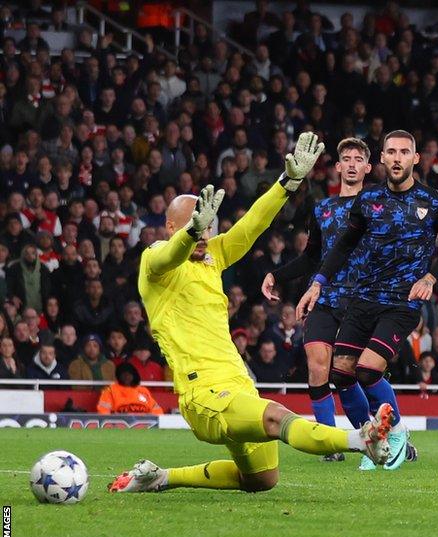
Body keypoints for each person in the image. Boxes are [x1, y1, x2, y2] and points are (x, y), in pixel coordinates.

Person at [109, 132, 391, 495]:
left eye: (207, 226)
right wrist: (191, 230)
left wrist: (287, 184)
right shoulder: (156, 262)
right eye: (195, 226)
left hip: (239, 384)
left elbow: (252, 224)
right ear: (171, 228)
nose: (203, 234)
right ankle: (359, 438)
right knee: (277, 417)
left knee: (261, 479)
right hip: (203, 393)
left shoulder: (214, 256)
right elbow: (170, 254)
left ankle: (159, 477)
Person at [298, 130, 438, 471]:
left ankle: (398, 434)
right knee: (341, 373)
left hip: (402, 302)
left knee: (368, 369)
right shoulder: (367, 201)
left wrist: (430, 277)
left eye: (405, 152)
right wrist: (317, 283)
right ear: (383, 160)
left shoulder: (433, 202)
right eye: (391, 152)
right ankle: (373, 440)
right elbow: (342, 246)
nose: (398, 157)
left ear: (416, 159)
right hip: (363, 298)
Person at [262, 137, 393, 463]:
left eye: (357, 159)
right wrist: (277, 275)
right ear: (337, 167)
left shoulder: (379, 205)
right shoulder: (322, 209)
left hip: (364, 301)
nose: (350, 164)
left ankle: (386, 435)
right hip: (326, 298)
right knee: (318, 370)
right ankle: (330, 445)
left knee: (354, 372)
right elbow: (311, 257)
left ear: (367, 167)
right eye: (345, 158)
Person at [97, 362, 163, 414]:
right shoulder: (111, 390)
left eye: (129, 374)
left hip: (144, 426)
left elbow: (157, 410)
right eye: (123, 374)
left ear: (134, 375)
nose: (126, 376)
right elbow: (103, 411)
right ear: (118, 376)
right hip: (120, 426)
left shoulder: (143, 390)